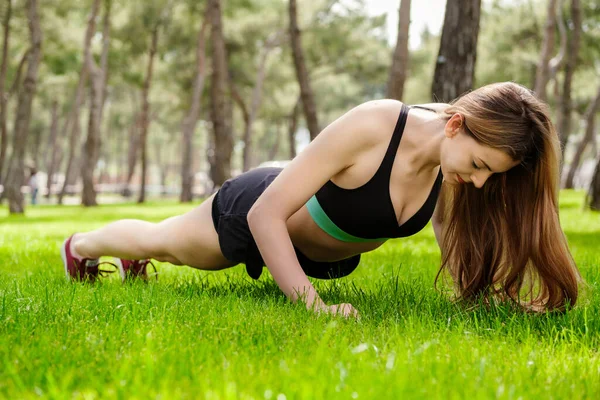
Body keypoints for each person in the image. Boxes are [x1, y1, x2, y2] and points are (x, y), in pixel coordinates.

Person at [60, 82, 581, 317]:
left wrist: (485, 293)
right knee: (168, 243)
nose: (482, 182)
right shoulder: (377, 124)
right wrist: (313, 306)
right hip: (260, 210)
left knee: (167, 246)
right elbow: (268, 213)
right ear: (455, 125)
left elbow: (454, 240)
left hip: (312, 250)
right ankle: (81, 247)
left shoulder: (451, 168)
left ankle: (134, 256)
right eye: (482, 167)